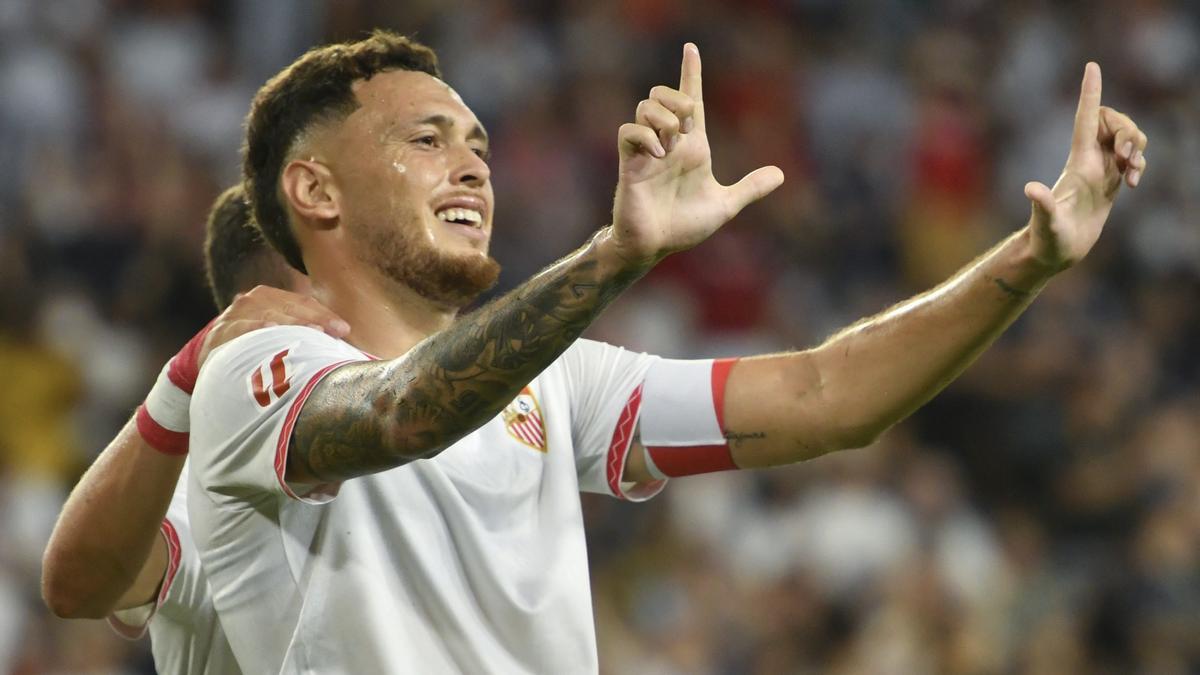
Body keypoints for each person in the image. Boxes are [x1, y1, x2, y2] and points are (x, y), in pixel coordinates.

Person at [186, 29, 1147, 674]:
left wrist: (1028, 261)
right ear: (316, 191)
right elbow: (403, 416)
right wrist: (616, 257)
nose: (472, 162)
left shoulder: (560, 381)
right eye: (426, 139)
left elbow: (825, 396)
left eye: (476, 141)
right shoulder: (252, 373)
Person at [40, 186, 348, 674]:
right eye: (340, 271)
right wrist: (179, 383)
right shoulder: (208, 481)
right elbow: (77, 585)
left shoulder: (434, 446)